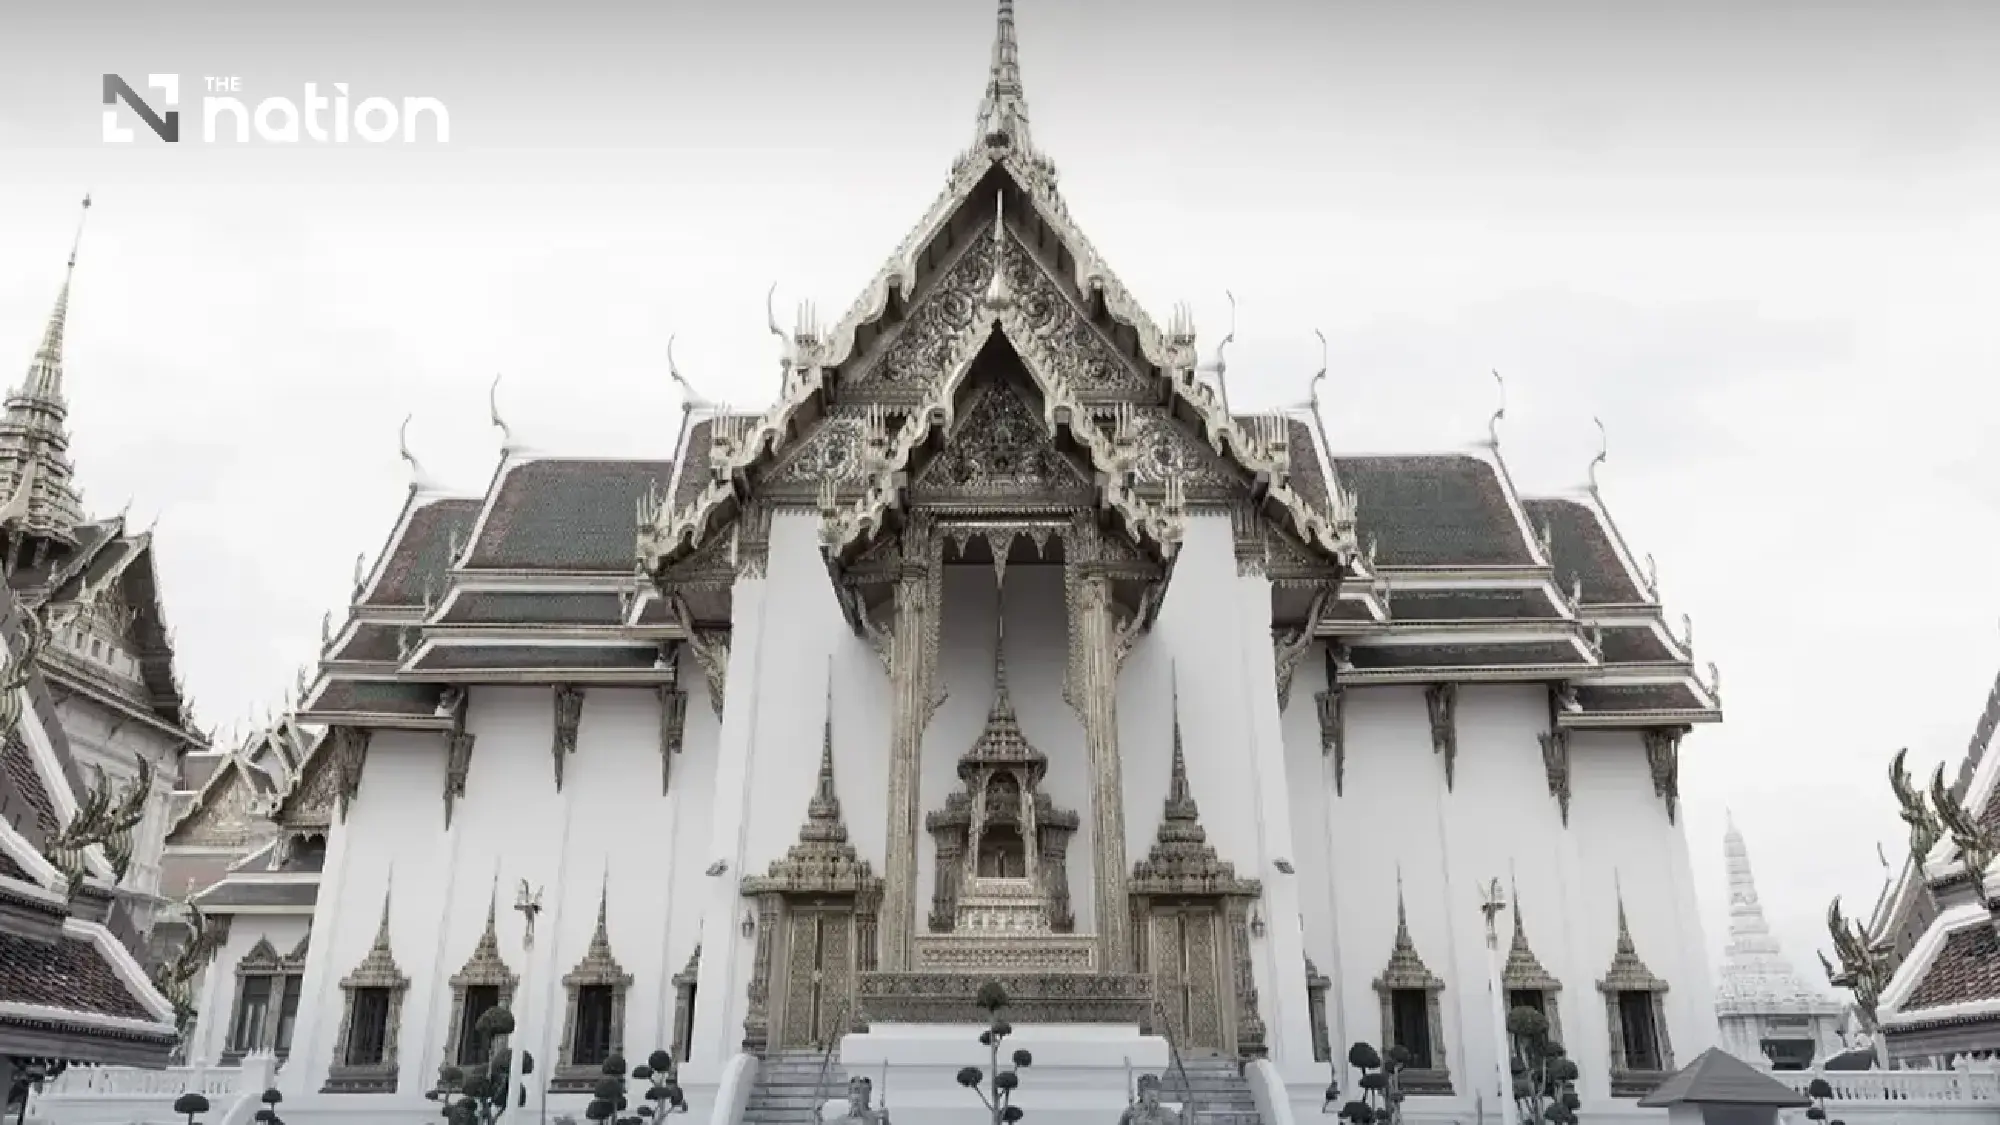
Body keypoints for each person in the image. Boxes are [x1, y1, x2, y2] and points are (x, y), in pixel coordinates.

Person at [1119, 1074, 1191, 1125]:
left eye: (1156, 1095)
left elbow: (1180, 1121)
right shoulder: (1133, 1111)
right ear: (1141, 1094)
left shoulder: (1165, 1113)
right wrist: (1126, 1118)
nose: (1154, 1098)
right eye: (1149, 1095)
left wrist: (1185, 1111)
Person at [823, 1075, 889, 1125]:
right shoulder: (841, 1119)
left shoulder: (875, 1117)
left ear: (868, 1096)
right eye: (855, 1091)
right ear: (849, 1096)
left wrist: (886, 1121)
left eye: (863, 1091)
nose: (857, 1095)